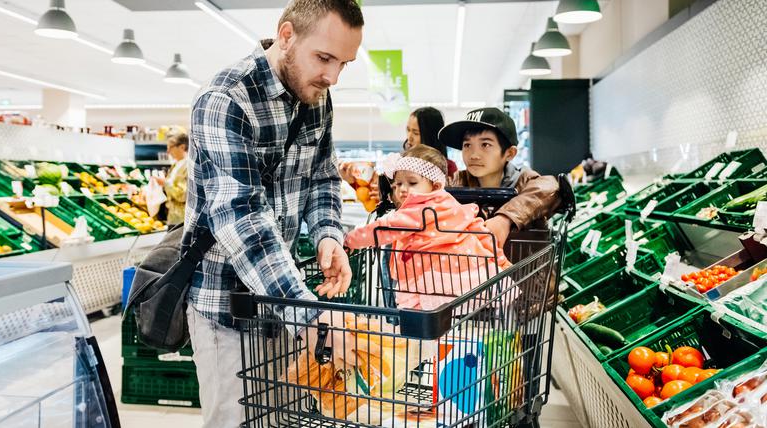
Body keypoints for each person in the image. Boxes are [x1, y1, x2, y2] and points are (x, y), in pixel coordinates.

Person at [183, 1, 364, 426]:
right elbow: (242, 219)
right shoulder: (225, 101)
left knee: (281, 420)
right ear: (286, 36)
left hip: (279, 302)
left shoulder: (317, 96)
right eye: (324, 58)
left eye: (344, 63)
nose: (332, 76)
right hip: (226, 310)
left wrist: (327, 234)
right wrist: (309, 315)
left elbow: (322, 176)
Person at [343, 145, 511, 310]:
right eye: (398, 184)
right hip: (464, 275)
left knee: (419, 326)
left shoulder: (419, 211)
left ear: (436, 186)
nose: (402, 189)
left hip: (430, 279)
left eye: (412, 182)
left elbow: (383, 229)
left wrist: (349, 240)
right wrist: (500, 261)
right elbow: (478, 229)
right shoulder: (448, 202)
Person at [439, 107, 561, 245]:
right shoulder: (456, 182)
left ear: (509, 153)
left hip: (522, 264)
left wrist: (505, 219)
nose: (473, 155)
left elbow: (550, 187)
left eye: (485, 144)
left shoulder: (523, 179)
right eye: (467, 145)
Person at [154, 132, 189, 226]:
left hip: (182, 219)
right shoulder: (176, 165)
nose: (168, 151)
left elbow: (183, 195)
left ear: (182, 147)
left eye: (170, 147)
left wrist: (165, 184)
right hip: (173, 217)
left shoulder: (188, 166)